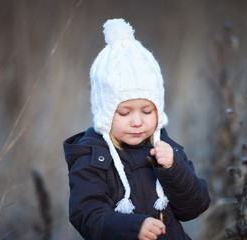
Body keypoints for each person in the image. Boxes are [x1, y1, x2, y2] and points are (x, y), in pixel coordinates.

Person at [63, 18, 211, 240]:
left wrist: (173, 168)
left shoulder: (164, 146)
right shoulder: (91, 156)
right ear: (105, 112)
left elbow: (194, 207)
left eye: (147, 111)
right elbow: (87, 216)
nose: (137, 121)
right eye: (124, 112)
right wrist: (133, 228)